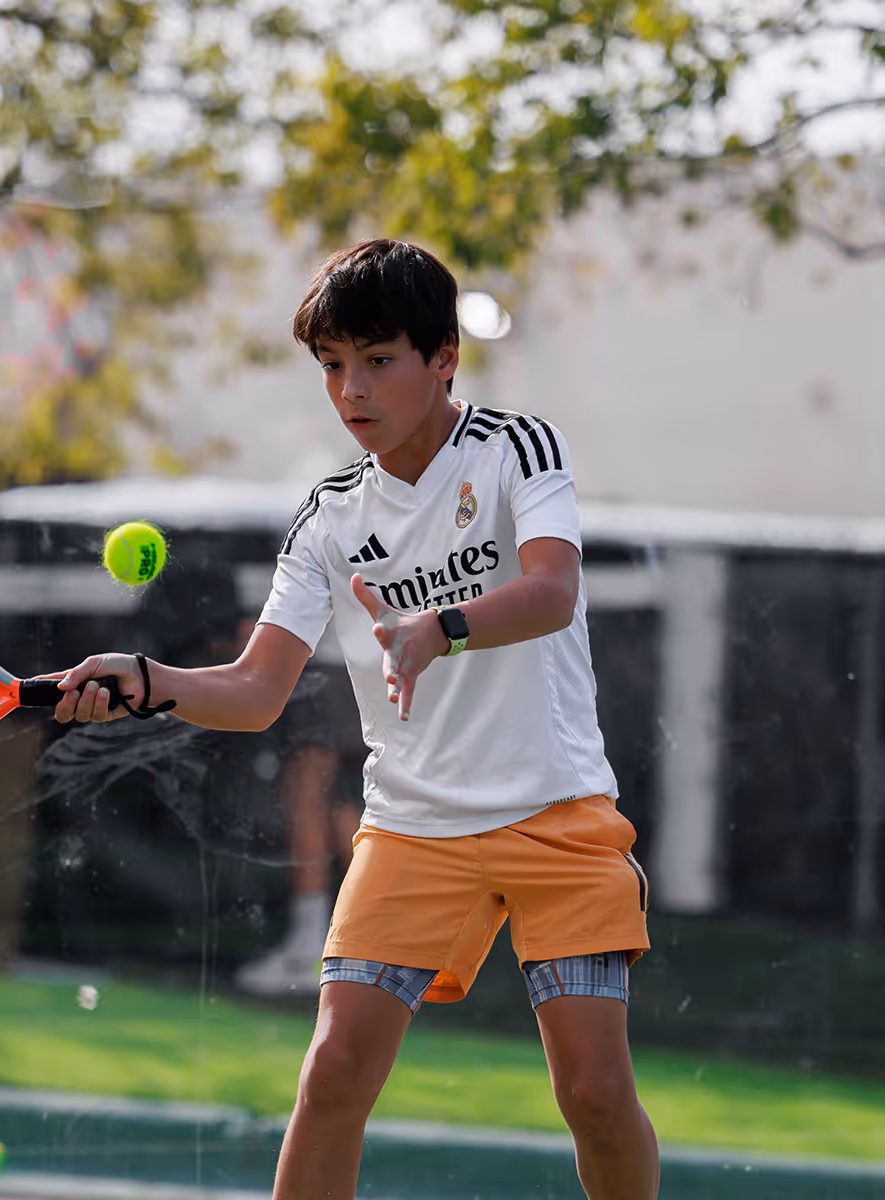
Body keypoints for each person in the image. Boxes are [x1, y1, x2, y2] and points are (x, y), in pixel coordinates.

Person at [53, 239, 659, 1200]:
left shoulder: (517, 448)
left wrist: (439, 628)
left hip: (558, 817)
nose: (351, 389)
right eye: (333, 364)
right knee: (333, 1073)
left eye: (377, 360)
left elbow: (550, 592)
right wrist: (147, 676)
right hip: (412, 832)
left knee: (593, 1091)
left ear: (443, 356)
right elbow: (256, 692)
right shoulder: (329, 517)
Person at [235, 642, 362, 997]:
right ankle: (369, 941)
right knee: (337, 801)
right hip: (351, 664)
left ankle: (308, 954)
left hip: (324, 663)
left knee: (307, 793)